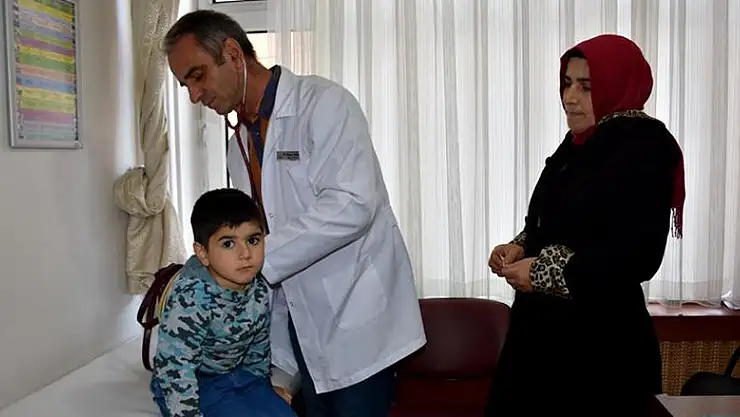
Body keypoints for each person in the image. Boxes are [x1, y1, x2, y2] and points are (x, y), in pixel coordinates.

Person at [163, 10, 426, 417]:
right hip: (303, 330)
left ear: (232, 54)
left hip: (359, 321)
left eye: (198, 77)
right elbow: (264, 243)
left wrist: (247, 258)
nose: (195, 96)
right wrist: (281, 367)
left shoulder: (323, 105)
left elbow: (353, 204)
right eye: (186, 86)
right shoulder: (239, 145)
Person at [485, 34, 686, 415]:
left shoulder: (643, 147)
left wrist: (541, 271)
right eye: (567, 83)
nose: (569, 97)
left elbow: (638, 255)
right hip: (539, 344)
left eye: (586, 86)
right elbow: (555, 222)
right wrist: (521, 246)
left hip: (601, 352)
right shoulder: (580, 144)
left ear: (617, 85)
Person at [150, 188, 296, 417]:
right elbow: (176, 367)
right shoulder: (190, 298)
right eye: (228, 244)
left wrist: (261, 389)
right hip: (190, 382)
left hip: (234, 375)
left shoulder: (257, 287)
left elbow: (257, 348)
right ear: (203, 253)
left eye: (253, 240)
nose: (245, 253)